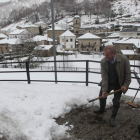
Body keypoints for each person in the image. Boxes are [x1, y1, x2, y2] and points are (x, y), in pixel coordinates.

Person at [94, 45, 131, 127]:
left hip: (119, 84)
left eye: (107, 55)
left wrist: (125, 85)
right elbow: (104, 77)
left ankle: (113, 117)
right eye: (104, 55)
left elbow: (128, 75)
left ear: (113, 54)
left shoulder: (124, 59)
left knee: (116, 101)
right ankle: (102, 109)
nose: (106, 57)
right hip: (109, 82)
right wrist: (104, 90)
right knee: (101, 96)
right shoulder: (103, 62)